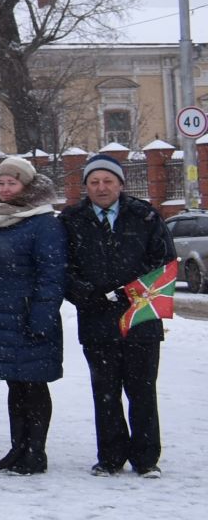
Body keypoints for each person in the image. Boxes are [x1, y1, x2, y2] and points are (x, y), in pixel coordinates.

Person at [62, 154, 176, 477]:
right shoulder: (72, 221)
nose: (101, 187)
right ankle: (110, 457)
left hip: (141, 316)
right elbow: (64, 269)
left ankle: (146, 458)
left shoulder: (145, 216)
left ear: (121, 184)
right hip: (97, 320)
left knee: (142, 390)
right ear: (85, 186)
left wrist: (131, 290)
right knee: (105, 391)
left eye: (108, 181)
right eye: (94, 182)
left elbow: (164, 262)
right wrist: (89, 294)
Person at [0, 155, 65, 475]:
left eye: (11, 182)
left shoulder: (44, 222)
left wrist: (42, 315)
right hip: (1, 315)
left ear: (26, 185)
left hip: (30, 314)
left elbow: (52, 274)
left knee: (34, 385)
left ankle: (36, 452)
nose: (5, 188)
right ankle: (18, 447)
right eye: (0, 183)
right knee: (15, 385)